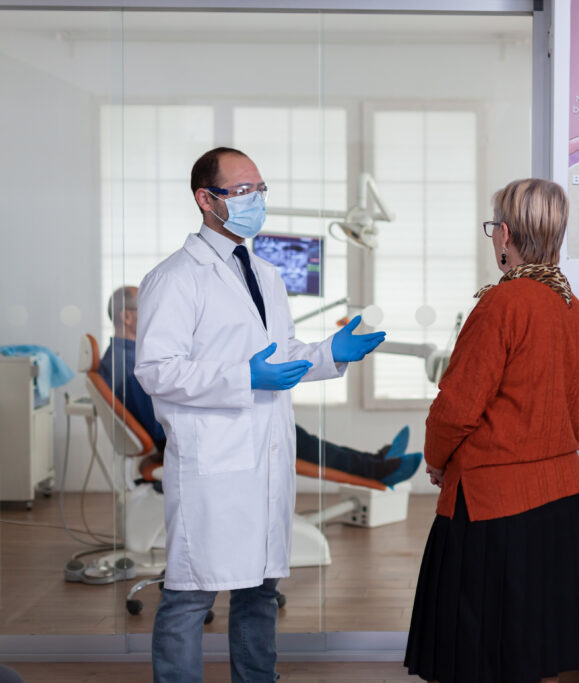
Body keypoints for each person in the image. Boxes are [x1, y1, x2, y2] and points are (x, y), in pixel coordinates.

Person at [135, 146, 386, 683]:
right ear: (207, 200)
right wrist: (244, 377)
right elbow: (157, 370)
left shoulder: (266, 274)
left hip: (263, 458)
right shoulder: (175, 278)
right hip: (213, 464)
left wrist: (329, 354)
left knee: (260, 590)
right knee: (189, 595)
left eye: (260, 189)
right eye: (242, 190)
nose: (257, 200)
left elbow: (280, 353)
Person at [404, 179, 579, 683]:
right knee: (531, 652)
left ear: (506, 235)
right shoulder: (574, 312)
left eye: (494, 229)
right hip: (556, 500)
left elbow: (457, 407)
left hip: (493, 504)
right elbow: (567, 406)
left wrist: (436, 458)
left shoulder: (502, 305)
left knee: (475, 654)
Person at [100, 285, 419, 485]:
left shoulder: (125, 357)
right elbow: (162, 423)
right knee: (288, 433)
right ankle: (377, 467)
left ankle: (376, 461)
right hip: (195, 441)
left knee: (293, 432)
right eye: (150, 309)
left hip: (202, 430)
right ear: (127, 317)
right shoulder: (133, 365)